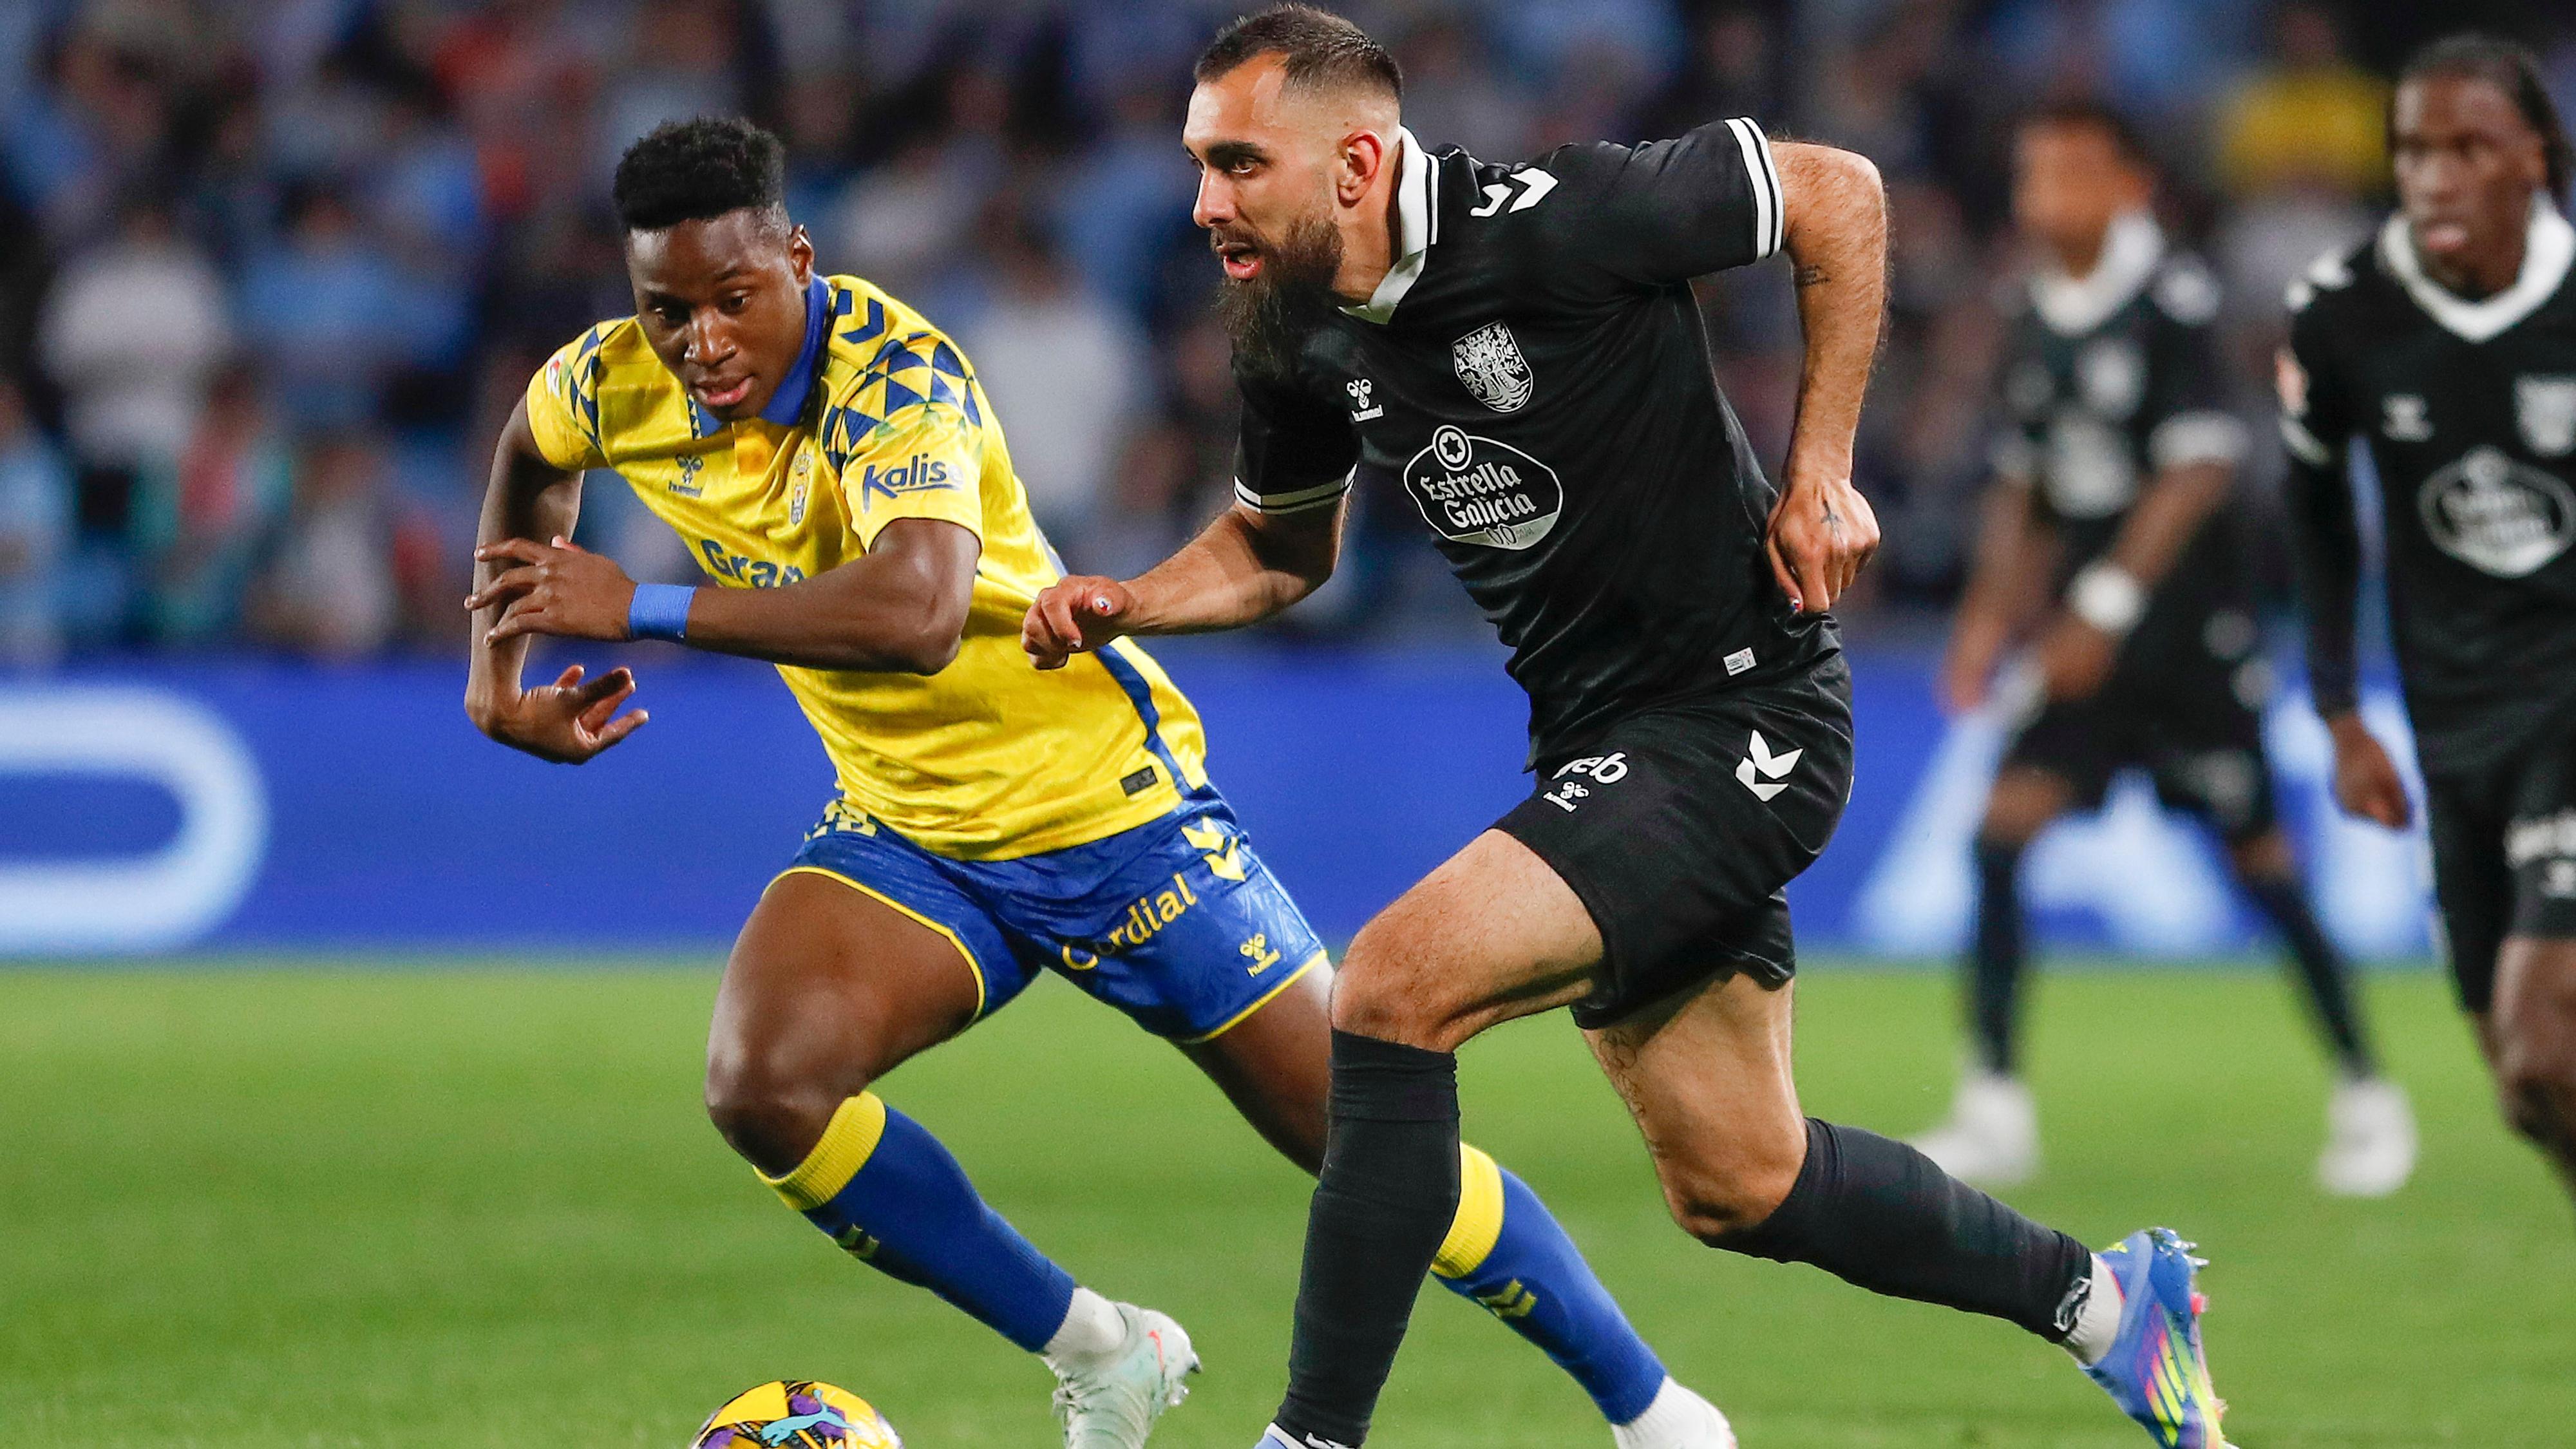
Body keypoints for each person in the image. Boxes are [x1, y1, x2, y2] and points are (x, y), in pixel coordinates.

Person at [1023, 10, 2227, 1448]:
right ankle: (2109, 1304)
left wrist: (1820, 469)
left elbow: (1836, 191)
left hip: (1742, 714)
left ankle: (1310, 1438)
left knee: (1390, 987)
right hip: (1599, 746)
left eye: (1236, 164)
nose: (1204, 202)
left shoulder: (1562, 215)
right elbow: (1281, 547)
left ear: (1355, 164)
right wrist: (1133, 600)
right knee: (1742, 1181)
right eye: (1198, 163)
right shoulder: (1292, 323)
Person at [461, 116, 1723, 1449]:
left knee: (1364, 1136)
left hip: (1109, 811)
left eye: (733, 298)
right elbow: (527, 459)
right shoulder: (609, 380)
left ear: (799, 261)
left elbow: (918, 613)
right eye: (667, 312)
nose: (701, 342)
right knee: (764, 1087)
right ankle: (1105, 1352)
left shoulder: (893, 374)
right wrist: (497, 680)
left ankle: (1655, 1414)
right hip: (910, 827)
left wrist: (640, 604)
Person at [1920, 100, 2414, 1197]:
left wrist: (2101, 606)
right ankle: (1994, 1102)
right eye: (2032, 173)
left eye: (2071, 173)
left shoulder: (2173, 301)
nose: (2044, 196)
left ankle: (2367, 1090)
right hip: (2081, 644)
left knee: (2262, 864)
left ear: (2131, 186)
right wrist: (1987, 620)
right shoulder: (2028, 309)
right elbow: (2025, 484)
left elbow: (2198, 469)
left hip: (2189, 638)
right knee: (1999, 835)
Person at [2278, 33, 2576, 1213]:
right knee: (2527, 1088)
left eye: (2470, 149)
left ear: (2535, 159)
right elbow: (2314, 513)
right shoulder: (2342, 311)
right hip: (2454, 720)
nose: (2436, 176)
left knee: (2545, 1033)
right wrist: (2341, 711)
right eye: (2414, 151)